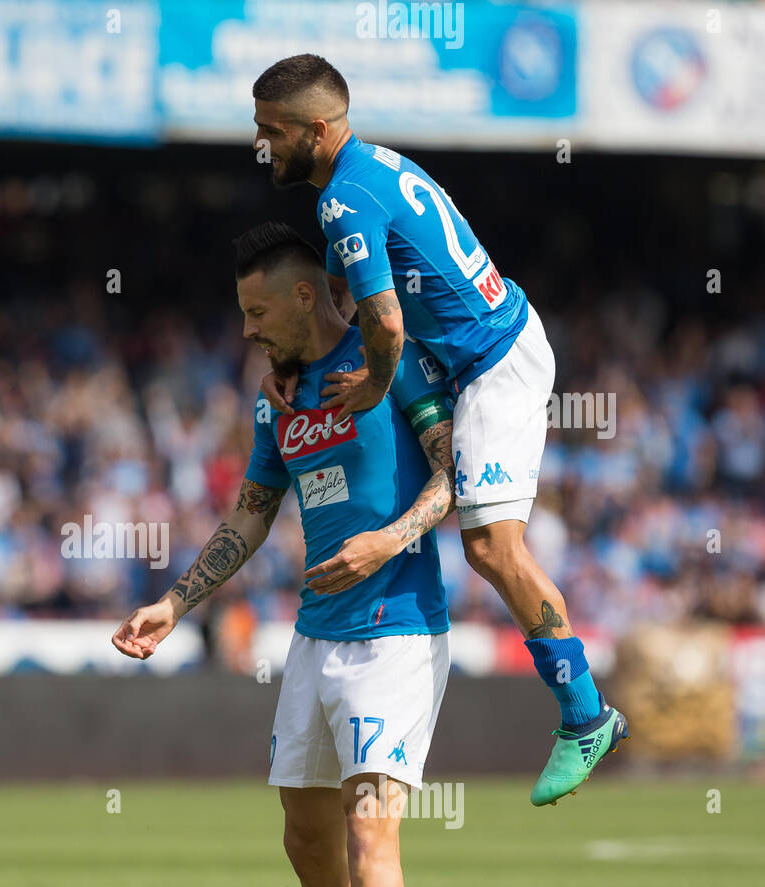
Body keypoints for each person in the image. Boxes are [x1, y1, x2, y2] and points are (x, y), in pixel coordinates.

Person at [113, 223, 455, 887]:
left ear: (306, 294)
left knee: (371, 830)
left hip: (398, 631)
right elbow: (252, 511)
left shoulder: (395, 363)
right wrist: (175, 601)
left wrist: (391, 540)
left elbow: (460, 476)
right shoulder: (279, 399)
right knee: (307, 839)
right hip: (315, 637)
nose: (247, 330)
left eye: (257, 310)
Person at [251, 54, 627, 805]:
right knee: (486, 540)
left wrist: (372, 387)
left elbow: (385, 321)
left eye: (272, 131)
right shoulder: (371, 169)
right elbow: (346, 296)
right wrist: (300, 356)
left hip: (493, 360)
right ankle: (583, 711)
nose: (261, 144)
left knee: (490, 545)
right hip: (482, 348)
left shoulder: (342, 201)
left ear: (317, 130)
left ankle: (586, 715)